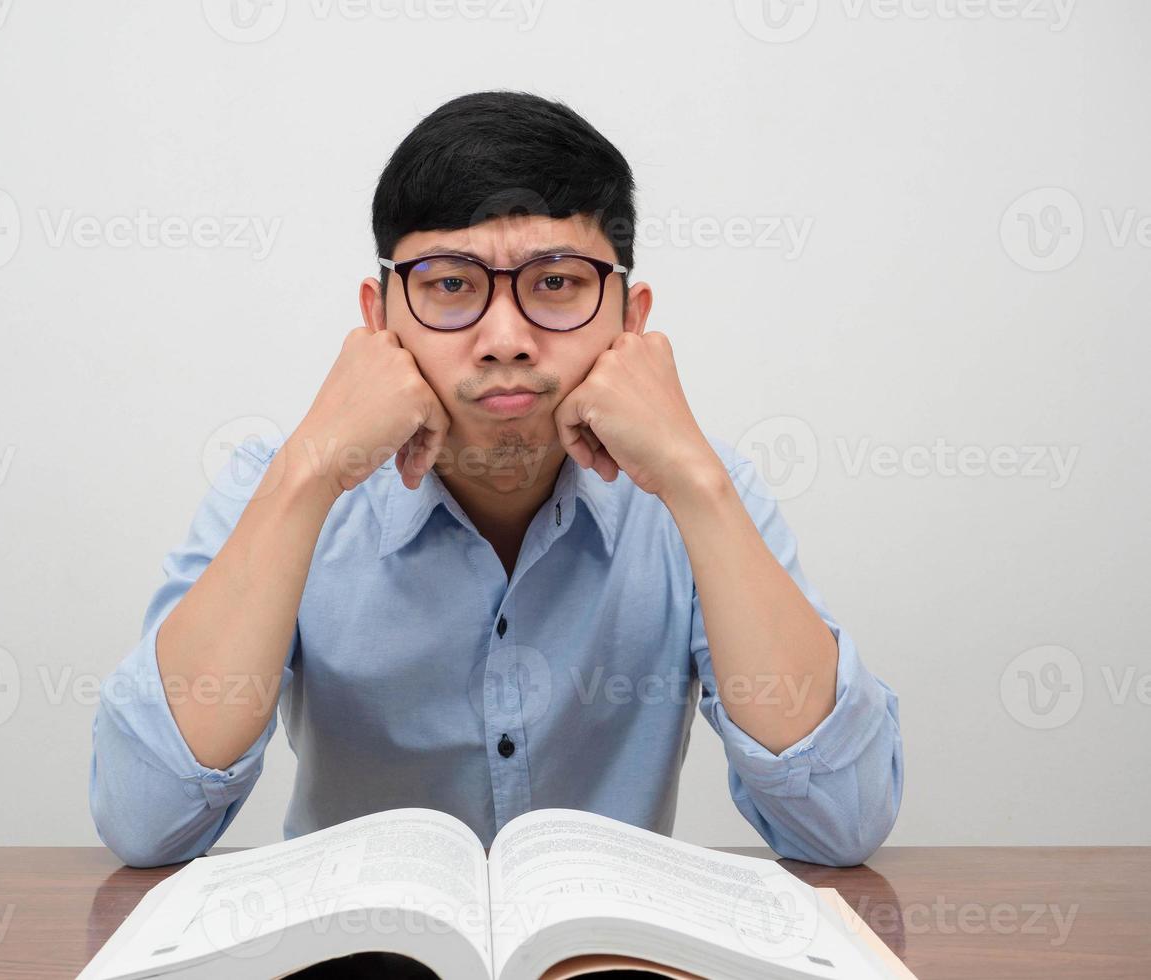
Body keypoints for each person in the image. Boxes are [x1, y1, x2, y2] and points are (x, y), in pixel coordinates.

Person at [88, 90, 903, 869]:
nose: (505, 337)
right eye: (450, 285)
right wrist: (308, 474)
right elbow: (147, 819)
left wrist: (697, 480)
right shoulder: (277, 483)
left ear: (630, 315)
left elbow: (838, 823)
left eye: (555, 284)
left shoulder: (698, 492)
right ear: (378, 318)